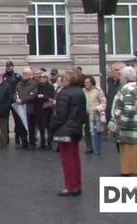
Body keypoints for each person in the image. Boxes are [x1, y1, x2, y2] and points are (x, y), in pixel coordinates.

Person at [51, 69, 88, 197]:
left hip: (65, 129)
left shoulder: (64, 93)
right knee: (75, 158)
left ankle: (70, 186)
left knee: (67, 159)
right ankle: (77, 184)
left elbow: (60, 115)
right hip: (76, 128)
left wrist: (52, 127)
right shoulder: (80, 92)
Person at [109, 66, 137, 177]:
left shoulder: (127, 90)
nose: (119, 78)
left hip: (129, 130)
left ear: (125, 77)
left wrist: (120, 125)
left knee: (129, 161)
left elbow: (128, 110)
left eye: (121, 75)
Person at [15, 67, 38, 150]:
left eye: (26, 74)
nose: (24, 75)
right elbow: (15, 93)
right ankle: (24, 142)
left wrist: (23, 100)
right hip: (20, 107)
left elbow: (33, 95)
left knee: (31, 126)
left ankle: (32, 143)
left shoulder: (34, 84)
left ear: (30, 75)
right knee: (21, 125)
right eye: (23, 73)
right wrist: (16, 99)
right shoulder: (19, 84)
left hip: (29, 107)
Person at [83, 75, 107, 155]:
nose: (86, 84)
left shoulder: (98, 90)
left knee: (96, 131)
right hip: (86, 114)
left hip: (95, 114)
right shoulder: (83, 91)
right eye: (85, 82)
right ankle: (89, 147)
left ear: (92, 83)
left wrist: (98, 108)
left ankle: (97, 148)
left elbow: (103, 102)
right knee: (87, 131)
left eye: (88, 82)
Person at [3, 61, 24, 146]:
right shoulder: (3, 76)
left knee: (17, 120)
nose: (8, 68)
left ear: (13, 67)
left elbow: (21, 87)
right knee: (5, 120)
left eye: (10, 66)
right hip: (5, 101)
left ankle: (17, 138)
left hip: (15, 100)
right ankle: (6, 138)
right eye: (7, 66)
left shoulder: (17, 76)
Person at [35, 69, 56, 150]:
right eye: (40, 77)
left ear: (46, 78)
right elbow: (34, 95)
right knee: (40, 127)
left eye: (43, 77)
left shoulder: (50, 86)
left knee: (47, 127)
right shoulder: (38, 86)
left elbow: (51, 97)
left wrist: (43, 96)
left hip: (47, 109)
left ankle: (49, 143)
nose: (42, 78)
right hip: (39, 108)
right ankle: (42, 143)